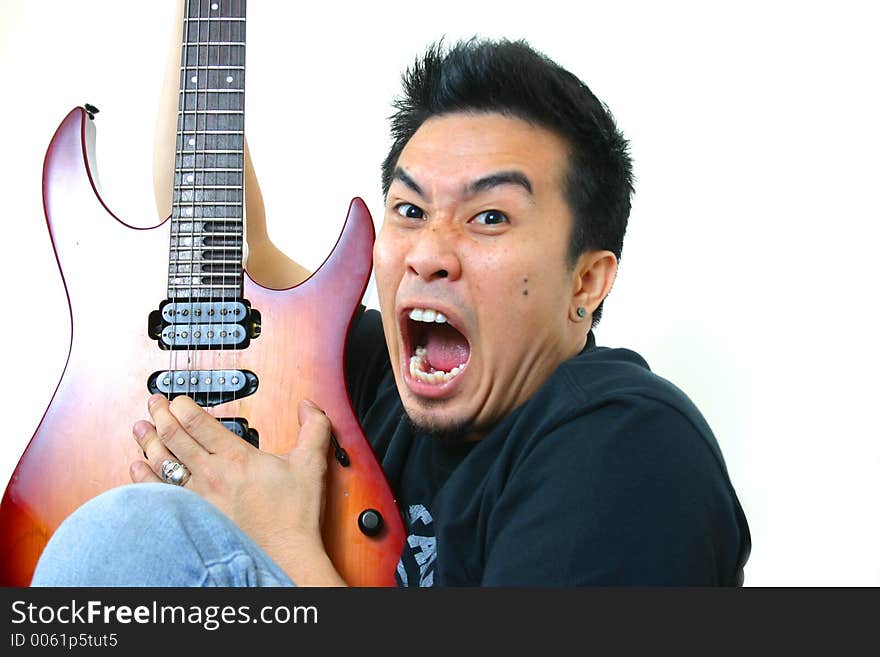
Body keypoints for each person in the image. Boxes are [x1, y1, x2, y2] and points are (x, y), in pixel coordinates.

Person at [31, 38, 750, 587]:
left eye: (490, 216)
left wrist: (283, 543)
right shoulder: (373, 384)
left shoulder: (628, 444)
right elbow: (227, 236)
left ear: (586, 282)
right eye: (409, 209)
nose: (428, 252)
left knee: (129, 538)